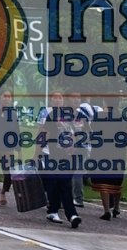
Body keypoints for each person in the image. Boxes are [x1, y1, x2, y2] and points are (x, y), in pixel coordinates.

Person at [36, 90, 80, 228]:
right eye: (55, 98)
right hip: (52, 154)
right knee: (55, 184)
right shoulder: (51, 116)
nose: (58, 100)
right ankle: (56, 211)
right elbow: (44, 134)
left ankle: (70, 215)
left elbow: (74, 133)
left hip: (67, 156)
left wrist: (74, 146)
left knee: (65, 184)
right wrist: (37, 154)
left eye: (60, 98)